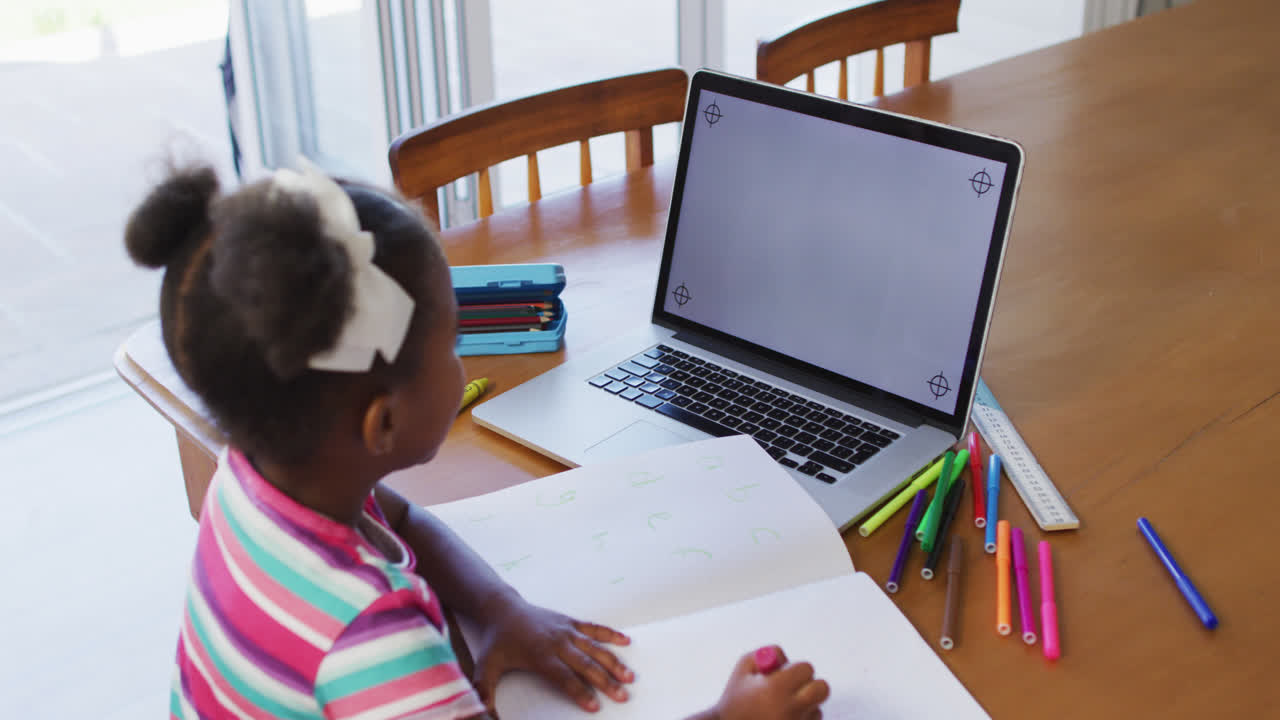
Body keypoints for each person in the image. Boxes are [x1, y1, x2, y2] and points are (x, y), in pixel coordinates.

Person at [125, 161, 830, 720]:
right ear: (382, 423)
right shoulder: (376, 643)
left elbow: (403, 519)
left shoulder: (256, 477)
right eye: (453, 343)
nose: (464, 362)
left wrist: (499, 610)